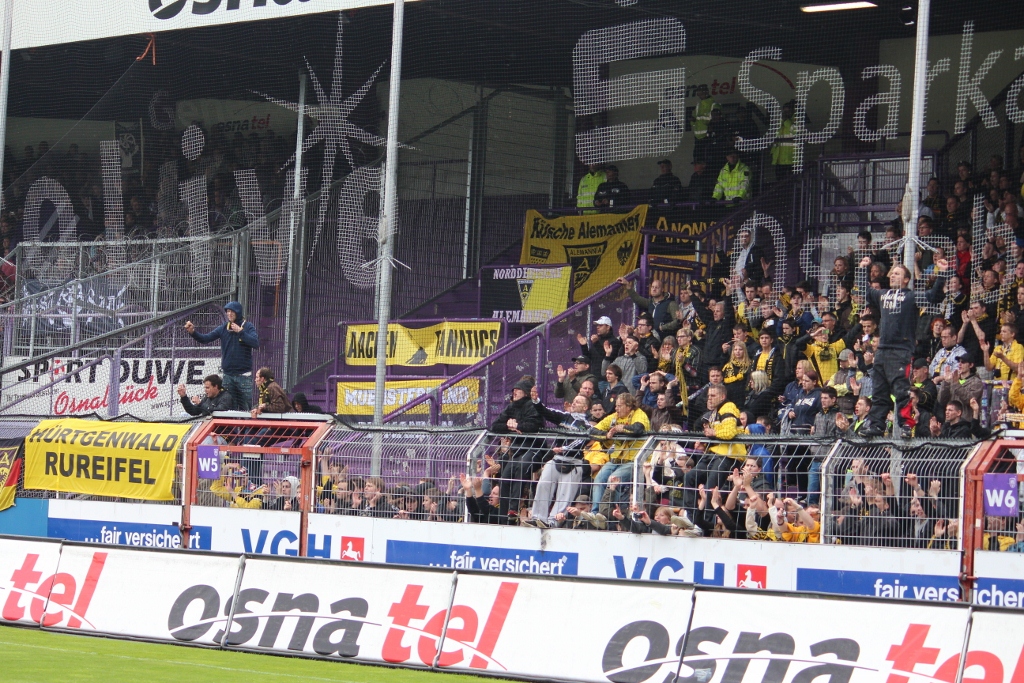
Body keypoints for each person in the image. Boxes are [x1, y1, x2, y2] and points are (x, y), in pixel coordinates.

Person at [857, 258, 948, 436]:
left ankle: (907, 425)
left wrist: (942, 273)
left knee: (901, 390)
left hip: (900, 351)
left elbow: (934, 297)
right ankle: (877, 425)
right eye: (892, 273)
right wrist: (862, 269)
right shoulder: (883, 294)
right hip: (882, 351)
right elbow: (865, 291)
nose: (892, 275)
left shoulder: (910, 296)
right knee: (879, 391)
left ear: (906, 279)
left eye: (897, 273)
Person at [526, 394, 592, 528]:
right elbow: (547, 412)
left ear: (585, 407)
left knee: (565, 495)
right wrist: (536, 400)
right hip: (556, 459)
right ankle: (538, 518)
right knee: (543, 485)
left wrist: (564, 448)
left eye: (578, 402)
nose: (574, 403)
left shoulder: (586, 426)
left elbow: (581, 440)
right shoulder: (564, 417)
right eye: (573, 401)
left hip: (574, 463)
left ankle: (553, 522)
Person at [185, 301, 259, 410]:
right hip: (228, 376)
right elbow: (206, 338)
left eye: (232, 311)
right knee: (229, 408)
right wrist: (193, 332)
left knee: (247, 408)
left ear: (238, 312)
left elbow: (255, 343)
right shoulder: (224, 328)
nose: (229, 314)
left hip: (243, 375)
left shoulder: (247, 326)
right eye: (227, 311)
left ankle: (247, 422)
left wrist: (240, 332)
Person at [489, 379, 543, 521]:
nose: (514, 392)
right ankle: (503, 515)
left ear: (525, 392)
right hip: (517, 450)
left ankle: (513, 509)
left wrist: (517, 425)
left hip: (534, 449)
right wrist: (509, 426)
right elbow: (495, 426)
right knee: (505, 478)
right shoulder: (511, 407)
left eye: (518, 390)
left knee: (521, 467)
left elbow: (534, 426)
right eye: (514, 390)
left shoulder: (533, 406)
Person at [589, 393, 651, 509]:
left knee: (613, 479)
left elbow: (638, 429)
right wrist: (606, 435)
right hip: (615, 459)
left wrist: (622, 428)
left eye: (619, 406)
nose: (616, 409)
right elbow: (592, 431)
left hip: (634, 461)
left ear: (629, 406)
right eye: (616, 406)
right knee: (599, 479)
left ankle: (610, 513)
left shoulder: (639, 414)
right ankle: (595, 512)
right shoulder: (614, 417)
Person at [690, 84, 720, 162]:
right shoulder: (698, 105)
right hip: (697, 137)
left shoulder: (713, 104)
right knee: (697, 159)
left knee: (707, 159)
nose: (700, 96)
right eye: (699, 94)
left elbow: (717, 120)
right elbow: (693, 121)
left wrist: (710, 127)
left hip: (708, 137)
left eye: (702, 93)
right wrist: (692, 120)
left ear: (706, 92)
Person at [769, 100, 795, 181]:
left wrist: (786, 121)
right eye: (785, 111)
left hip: (791, 159)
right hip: (779, 159)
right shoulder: (779, 121)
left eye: (788, 111)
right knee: (779, 181)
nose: (786, 113)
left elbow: (796, 131)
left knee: (791, 181)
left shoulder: (797, 120)